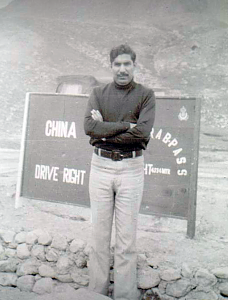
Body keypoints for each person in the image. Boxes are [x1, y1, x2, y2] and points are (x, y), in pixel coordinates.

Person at [84, 44, 155, 300]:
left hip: (131, 169)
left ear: (135, 66)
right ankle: (96, 294)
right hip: (100, 167)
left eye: (127, 64)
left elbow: (142, 133)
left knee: (126, 241)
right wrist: (126, 125)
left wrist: (107, 127)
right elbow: (90, 128)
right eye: (117, 64)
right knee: (99, 237)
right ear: (111, 66)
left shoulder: (146, 95)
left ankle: (125, 295)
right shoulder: (98, 93)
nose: (122, 69)